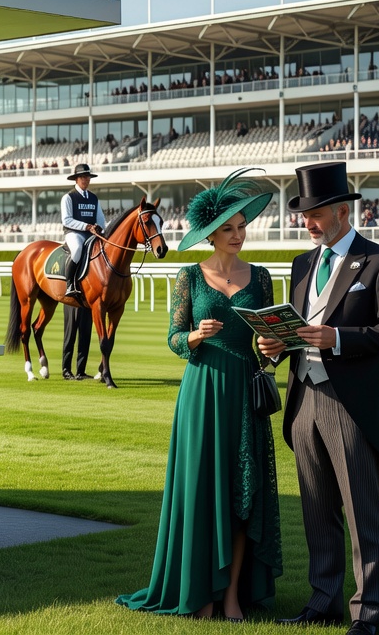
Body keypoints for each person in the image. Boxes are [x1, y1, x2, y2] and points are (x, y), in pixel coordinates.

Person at [118, 168, 282, 621]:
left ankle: (230, 596)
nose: (238, 235)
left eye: (241, 226)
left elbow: (270, 342)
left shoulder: (262, 277)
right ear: (210, 234)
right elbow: (172, 337)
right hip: (201, 391)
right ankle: (201, 593)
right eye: (228, 229)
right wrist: (193, 336)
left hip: (245, 390)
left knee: (242, 493)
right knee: (202, 492)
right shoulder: (188, 276)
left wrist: (274, 348)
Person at [259, 162, 379, 635]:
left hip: (350, 406)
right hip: (303, 397)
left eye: (315, 213)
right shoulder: (302, 263)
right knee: (316, 508)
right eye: (303, 213)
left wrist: (337, 338)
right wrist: (278, 344)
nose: (307, 222)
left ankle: (366, 614)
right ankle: (323, 600)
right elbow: (299, 328)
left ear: (342, 212)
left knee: (363, 512)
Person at [60, 163, 106, 299]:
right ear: (76, 179)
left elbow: (101, 219)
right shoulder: (68, 197)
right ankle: (70, 284)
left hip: (91, 234)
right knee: (78, 249)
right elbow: (66, 220)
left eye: (88, 177)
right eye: (83, 177)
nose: (86, 180)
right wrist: (86, 226)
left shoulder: (93, 198)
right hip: (74, 233)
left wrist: (99, 227)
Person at [61, 303, 93, 381]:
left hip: (86, 304)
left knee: (85, 337)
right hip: (71, 302)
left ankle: (80, 372)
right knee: (69, 336)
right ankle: (66, 370)